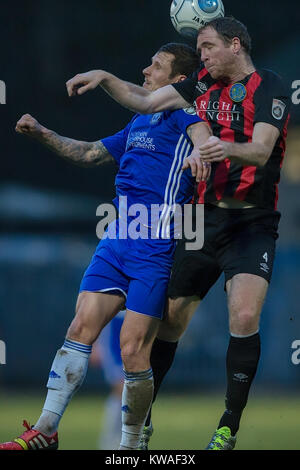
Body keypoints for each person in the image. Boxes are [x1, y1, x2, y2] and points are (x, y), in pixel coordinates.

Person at [65, 17, 291, 450]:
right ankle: (143, 418)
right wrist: (106, 78)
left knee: (243, 317)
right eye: (200, 50)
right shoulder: (201, 84)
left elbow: (262, 151)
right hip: (200, 220)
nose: (201, 56)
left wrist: (218, 148)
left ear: (235, 44)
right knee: (168, 322)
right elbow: (146, 101)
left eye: (207, 47)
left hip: (251, 222)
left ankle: (228, 424)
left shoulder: (271, 85)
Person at [0, 43, 212, 451]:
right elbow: (92, 153)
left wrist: (203, 150)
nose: (146, 69)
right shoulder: (139, 123)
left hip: (155, 247)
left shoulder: (185, 116)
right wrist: (43, 133)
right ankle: (46, 429)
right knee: (79, 329)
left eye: (156, 65)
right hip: (116, 241)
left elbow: (202, 134)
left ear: (179, 81)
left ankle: (131, 447)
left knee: (134, 352)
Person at [89, 310, 125, 450]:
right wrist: (93, 341)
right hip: (114, 336)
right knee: (122, 388)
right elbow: (95, 301)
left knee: (131, 390)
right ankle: (110, 441)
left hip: (135, 331)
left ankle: (120, 439)